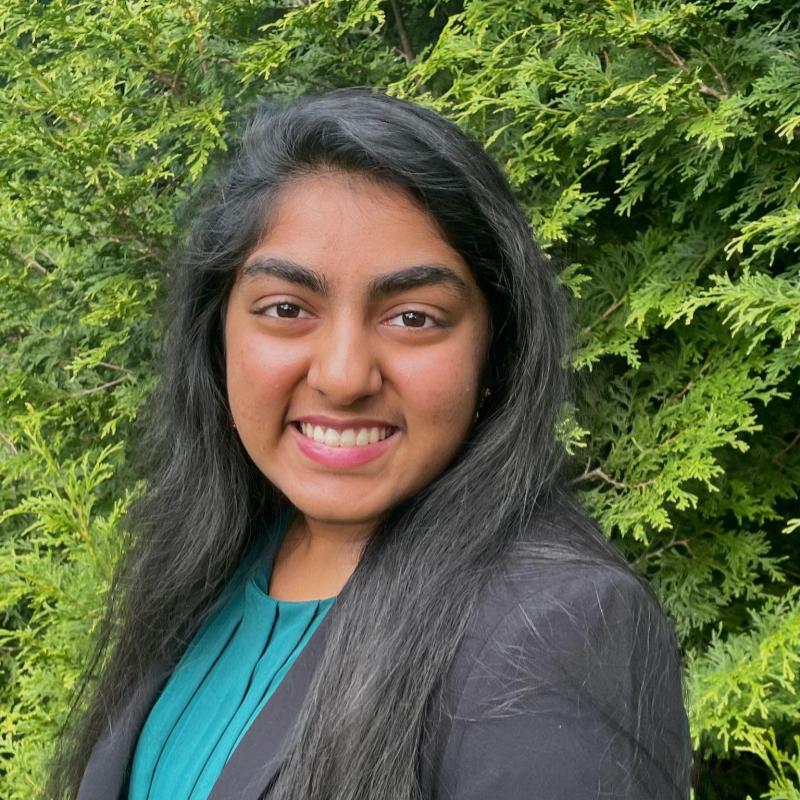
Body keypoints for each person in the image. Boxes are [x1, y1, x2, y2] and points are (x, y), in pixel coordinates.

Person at [48, 88, 692, 800]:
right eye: (286, 308)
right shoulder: (214, 559)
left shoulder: (553, 634)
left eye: (413, 318)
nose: (344, 376)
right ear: (218, 336)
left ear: (495, 354)